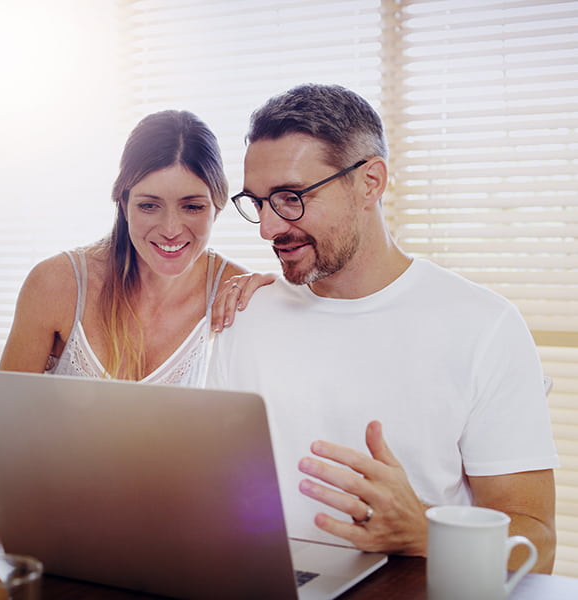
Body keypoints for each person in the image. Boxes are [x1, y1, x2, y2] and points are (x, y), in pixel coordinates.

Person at [207, 84, 558, 572]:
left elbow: (536, 543)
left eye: (290, 198)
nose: (268, 228)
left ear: (370, 182)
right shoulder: (244, 314)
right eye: (258, 202)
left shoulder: (484, 326)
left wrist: (426, 534)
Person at [0, 109, 274, 500]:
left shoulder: (239, 296)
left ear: (218, 205)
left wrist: (276, 299)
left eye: (193, 206)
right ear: (122, 202)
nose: (171, 229)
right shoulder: (57, 285)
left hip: (172, 529)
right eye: (149, 205)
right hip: (57, 520)